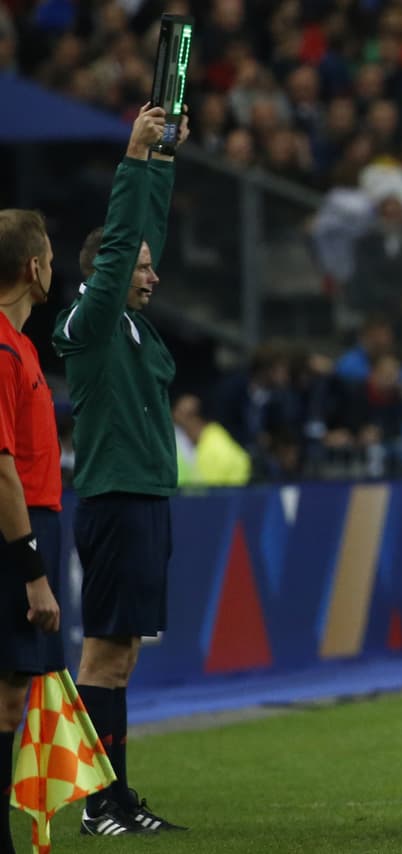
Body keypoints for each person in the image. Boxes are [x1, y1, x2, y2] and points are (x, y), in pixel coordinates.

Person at [51, 104, 189, 835]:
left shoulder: (132, 322)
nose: (152, 273)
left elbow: (146, 234)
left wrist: (163, 164)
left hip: (145, 498)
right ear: (106, 271)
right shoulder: (95, 319)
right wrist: (135, 159)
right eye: (138, 266)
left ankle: (116, 796)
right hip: (114, 499)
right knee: (104, 656)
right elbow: (123, 249)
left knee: (123, 655)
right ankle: (97, 803)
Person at [0, 208, 63, 854]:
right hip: (14, 539)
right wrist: (33, 571)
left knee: (13, 692)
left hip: (30, 528)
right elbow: (2, 472)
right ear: (31, 268)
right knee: (4, 692)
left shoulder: (22, 346)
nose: (53, 265)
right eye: (47, 255)